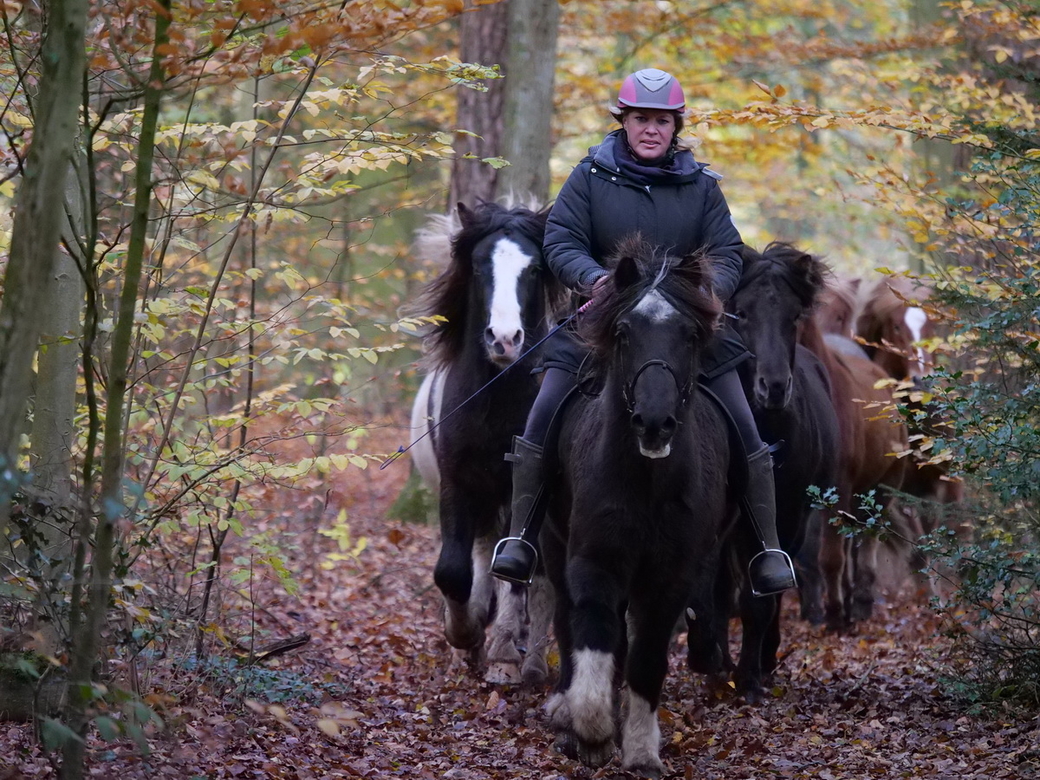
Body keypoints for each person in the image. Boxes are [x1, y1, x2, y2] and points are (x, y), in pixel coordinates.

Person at [489, 68, 796, 596]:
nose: (650, 129)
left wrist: (706, 291)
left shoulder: (702, 186)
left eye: (660, 120)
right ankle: (521, 537)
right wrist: (592, 279)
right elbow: (561, 240)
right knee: (544, 412)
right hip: (603, 319)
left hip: (686, 330)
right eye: (640, 119)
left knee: (746, 427)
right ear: (623, 122)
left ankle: (766, 549)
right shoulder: (587, 176)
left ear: (675, 126)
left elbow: (726, 250)